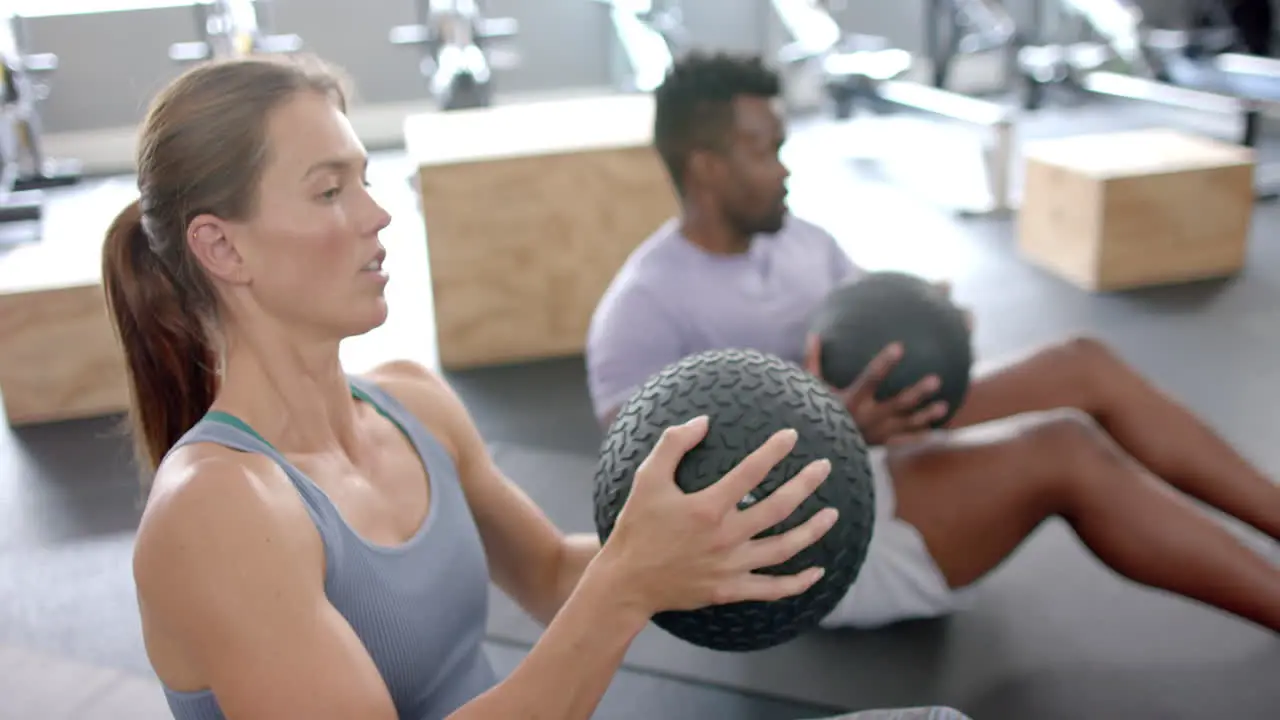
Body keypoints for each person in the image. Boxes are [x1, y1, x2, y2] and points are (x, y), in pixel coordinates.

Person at [99, 53, 969, 720]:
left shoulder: (414, 404)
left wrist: (725, 521)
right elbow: (603, 591)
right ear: (222, 248)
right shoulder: (214, 515)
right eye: (329, 189)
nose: (376, 213)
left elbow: (554, 572)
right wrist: (629, 580)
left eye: (365, 177)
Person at [585, 50, 1280, 633]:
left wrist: (927, 322)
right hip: (809, 535)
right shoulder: (641, 308)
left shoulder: (801, 241)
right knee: (1065, 448)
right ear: (706, 167)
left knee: (1081, 363)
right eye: (765, 151)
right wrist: (823, 430)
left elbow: (864, 323)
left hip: (873, 444)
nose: (786, 168)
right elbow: (639, 515)